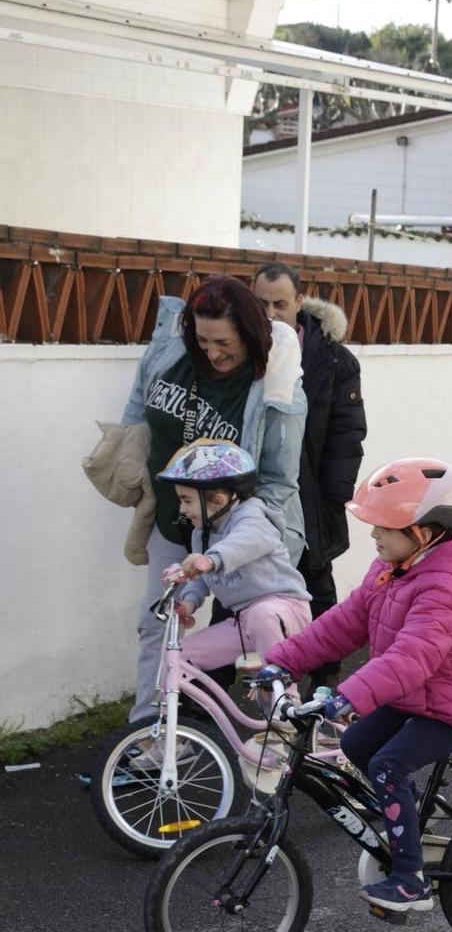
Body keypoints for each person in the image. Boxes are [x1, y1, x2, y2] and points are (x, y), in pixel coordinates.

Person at [263, 458, 452, 914]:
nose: (373, 537)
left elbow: (411, 657)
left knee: (388, 765)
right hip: (417, 697)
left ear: (423, 533)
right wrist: (280, 662)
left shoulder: (443, 585)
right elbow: (340, 626)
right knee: (357, 744)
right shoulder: (390, 571)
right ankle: (409, 819)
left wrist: (348, 696)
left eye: (383, 529)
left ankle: (410, 879)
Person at [121, 278, 306, 723]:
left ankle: (284, 728)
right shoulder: (174, 354)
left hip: (234, 526)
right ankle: (150, 735)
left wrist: (244, 534)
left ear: (248, 332)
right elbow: (139, 401)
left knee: (257, 641)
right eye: (202, 340)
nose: (213, 352)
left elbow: (280, 478)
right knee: (159, 624)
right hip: (174, 516)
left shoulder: (274, 385)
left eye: (224, 342)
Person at [252, 265, 368, 671]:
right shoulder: (243, 350)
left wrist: (334, 497)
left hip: (313, 496)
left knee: (316, 584)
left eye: (280, 304)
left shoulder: (333, 359)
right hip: (254, 495)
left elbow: (347, 433)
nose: (270, 314)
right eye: (261, 303)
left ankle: (326, 681)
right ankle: (204, 703)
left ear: (299, 302)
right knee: (243, 587)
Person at [159, 440, 311, 668]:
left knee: (263, 617)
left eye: (186, 500)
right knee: (179, 656)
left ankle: (284, 697)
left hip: (285, 611)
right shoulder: (201, 534)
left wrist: (210, 560)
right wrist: (188, 604)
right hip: (244, 622)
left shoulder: (252, 516)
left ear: (218, 500)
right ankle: (179, 704)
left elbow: (245, 541)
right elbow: (200, 579)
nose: (182, 509)